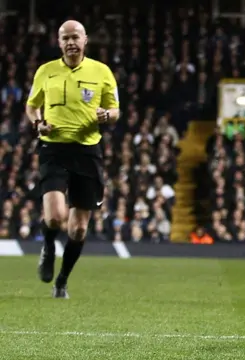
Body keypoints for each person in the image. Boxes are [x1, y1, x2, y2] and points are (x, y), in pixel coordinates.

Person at [25, 20, 120, 299]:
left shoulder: (101, 72)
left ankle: (62, 281)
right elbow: (32, 106)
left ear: (85, 39)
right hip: (53, 149)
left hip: (87, 152)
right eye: (65, 38)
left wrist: (106, 115)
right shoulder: (46, 71)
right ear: (58, 42)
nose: (70, 42)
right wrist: (37, 123)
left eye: (75, 37)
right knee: (55, 217)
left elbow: (115, 110)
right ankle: (48, 247)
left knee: (78, 229)